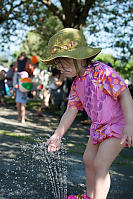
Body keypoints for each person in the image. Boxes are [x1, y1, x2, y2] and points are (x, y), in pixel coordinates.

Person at [41, 28, 133, 199]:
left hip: (117, 126)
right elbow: (71, 110)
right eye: (57, 64)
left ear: (79, 57)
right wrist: (57, 135)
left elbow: (124, 94)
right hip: (98, 127)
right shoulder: (77, 84)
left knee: (100, 164)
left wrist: (130, 124)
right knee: (88, 160)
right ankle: (89, 196)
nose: (59, 68)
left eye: (62, 62)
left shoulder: (102, 72)